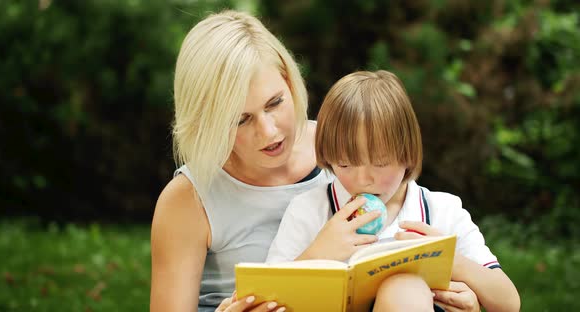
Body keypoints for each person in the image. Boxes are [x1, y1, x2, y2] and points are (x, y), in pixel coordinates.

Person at [150, 10, 485, 312]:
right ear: (206, 122)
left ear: (289, 80)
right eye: (241, 120)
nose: (269, 132)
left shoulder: (343, 149)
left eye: (275, 103)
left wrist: (463, 289)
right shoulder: (187, 200)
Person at [266, 70, 521, 311]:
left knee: (404, 289)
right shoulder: (310, 211)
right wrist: (317, 254)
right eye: (344, 164)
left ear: (407, 154)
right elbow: (267, 298)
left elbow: (509, 303)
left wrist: (451, 261)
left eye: (379, 163)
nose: (363, 179)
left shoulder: (441, 210)